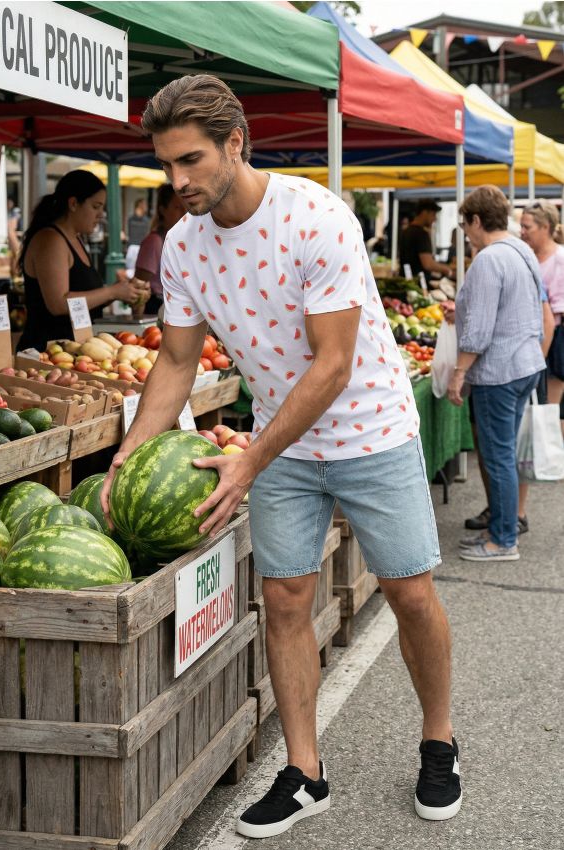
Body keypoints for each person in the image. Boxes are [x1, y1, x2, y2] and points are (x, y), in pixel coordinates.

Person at [101, 74, 462, 836]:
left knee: (408, 594)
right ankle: (304, 773)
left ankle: (438, 740)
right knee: (287, 601)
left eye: (191, 160)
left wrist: (249, 459)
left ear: (236, 142)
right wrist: (128, 455)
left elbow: (330, 365)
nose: (178, 181)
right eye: (167, 165)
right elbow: (173, 363)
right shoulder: (185, 248)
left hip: (370, 430)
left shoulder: (315, 218)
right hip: (281, 444)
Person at [447, 185, 545, 562]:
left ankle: (503, 540)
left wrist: (459, 373)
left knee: (498, 456)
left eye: (465, 224)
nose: (466, 233)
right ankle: (501, 528)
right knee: (503, 454)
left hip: (499, 371)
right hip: (524, 364)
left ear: (476, 219)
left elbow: (480, 332)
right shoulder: (523, 251)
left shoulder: (489, 259)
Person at [17, 170, 147, 352]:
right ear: (73, 203)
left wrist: (121, 291)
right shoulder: (51, 240)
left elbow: (83, 298)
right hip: (45, 352)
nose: (101, 214)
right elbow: (59, 304)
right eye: (96, 206)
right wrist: (111, 292)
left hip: (73, 350)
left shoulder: (75, 239)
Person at [520, 200, 564, 426]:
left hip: (553, 343)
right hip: (532, 343)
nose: (522, 232)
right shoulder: (527, 256)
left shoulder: (560, 259)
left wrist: (543, 353)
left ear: (545, 227)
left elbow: (554, 315)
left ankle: (551, 458)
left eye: (528, 227)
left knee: (550, 410)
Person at [134, 183, 186, 315]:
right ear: (163, 210)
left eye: (186, 207)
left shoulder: (178, 240)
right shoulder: (154, 242)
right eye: (177, 207)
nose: (184, 212)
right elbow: (138, 286)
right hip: (155, 308)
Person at [400, 200, 454, 282]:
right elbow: (428, 264)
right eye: (433, 214)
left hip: (407, 281)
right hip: (419, 283)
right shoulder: (421, 234)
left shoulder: (406, 231)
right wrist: (446, 269)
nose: (435, 219)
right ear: (425, 212)